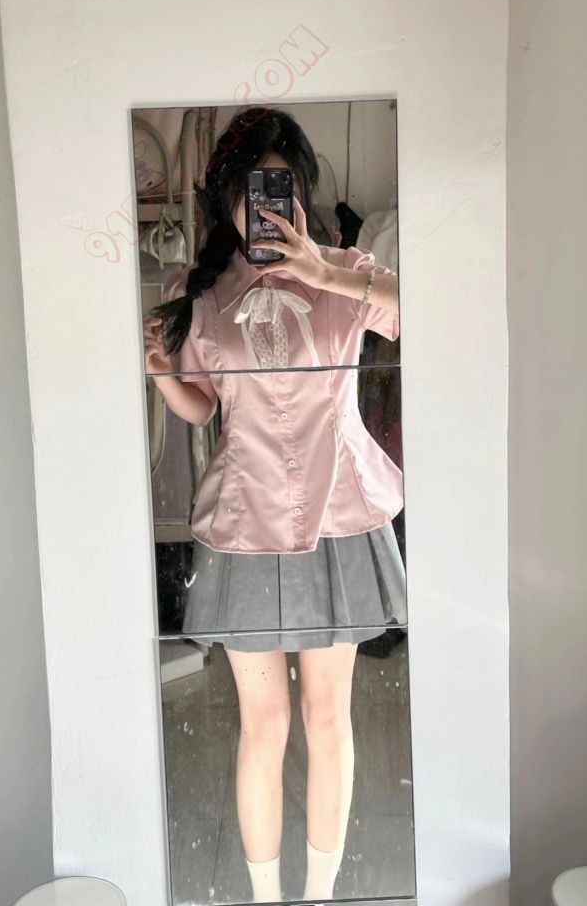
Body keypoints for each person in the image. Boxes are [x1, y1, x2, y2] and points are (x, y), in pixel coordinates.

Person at [143, 106, 406, 903]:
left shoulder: (350, 274)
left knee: (327, 718)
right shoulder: (201, 295)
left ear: (300, 190)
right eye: (249, 190)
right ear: (226, 198)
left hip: (338, 517)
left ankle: (319, 895)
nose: (265, 206)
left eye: (280, 187)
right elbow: (204, 408)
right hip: (245, 521)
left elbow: (433, 317)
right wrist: (163, 373)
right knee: (265, 726)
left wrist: (324, 272)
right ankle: (264, 898)